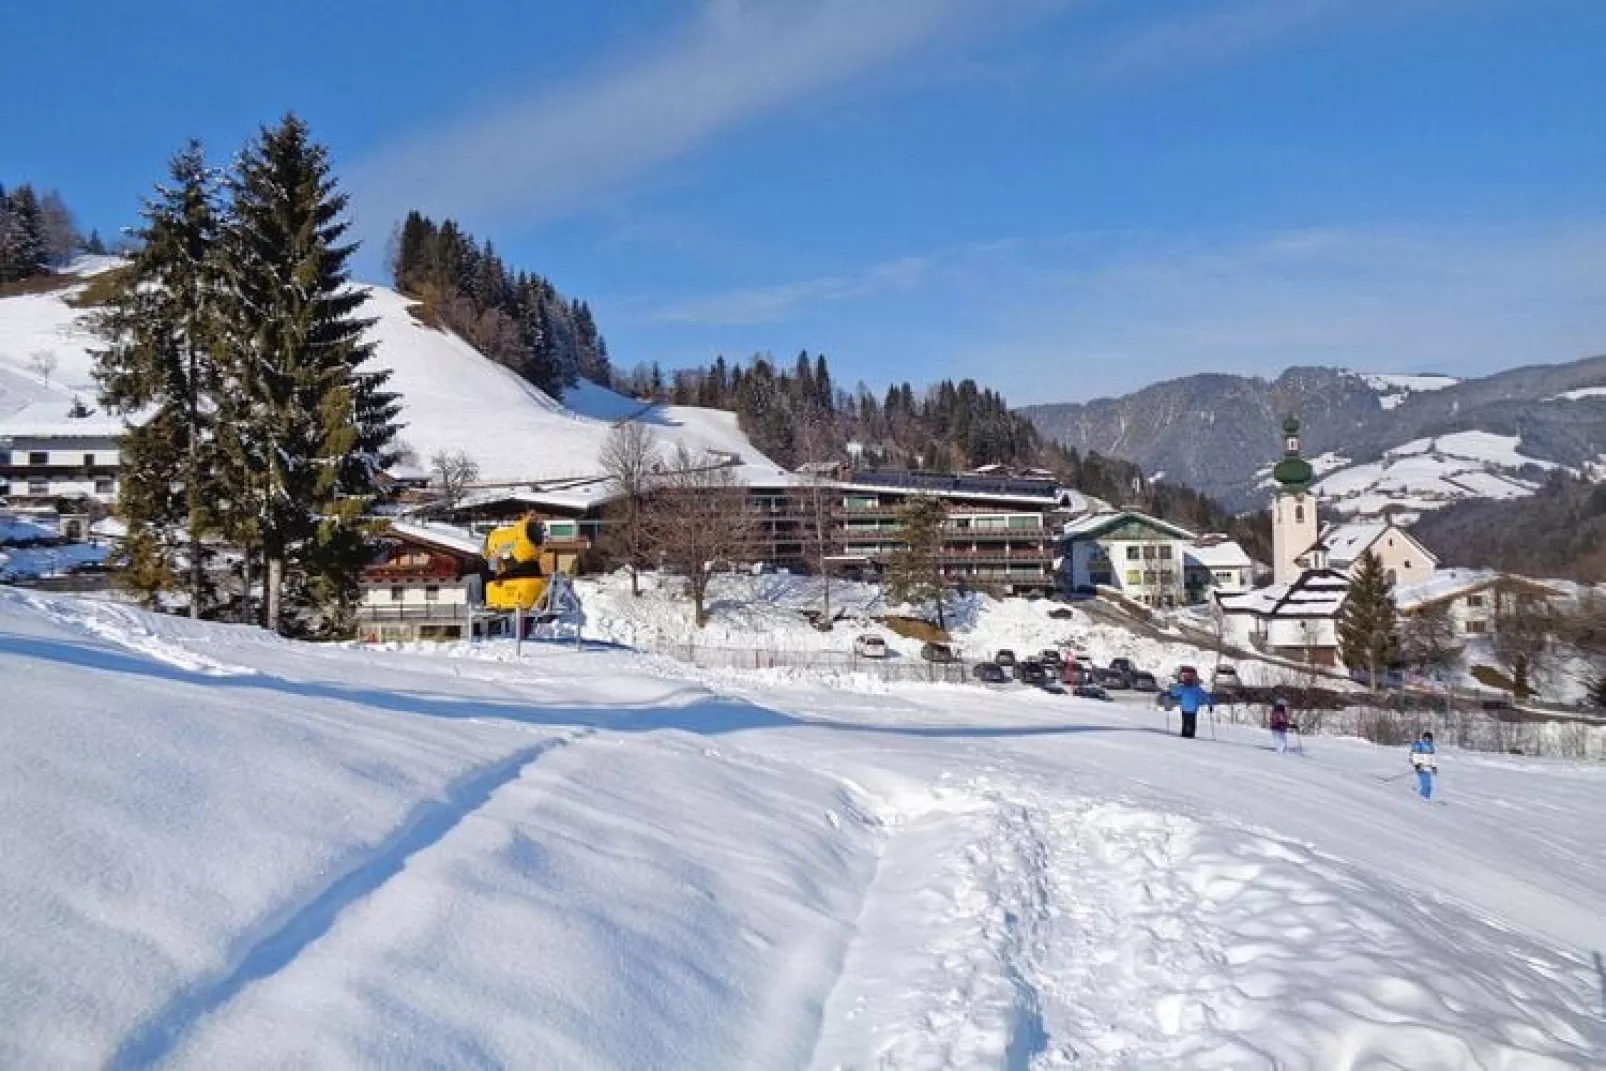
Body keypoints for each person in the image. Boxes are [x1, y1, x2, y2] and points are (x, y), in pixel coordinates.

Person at [1166, 667, 1214, 739]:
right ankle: (1191, 735)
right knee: (1192, 723)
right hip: (1193, 709)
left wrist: (1170, 692)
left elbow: (1174, 694)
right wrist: (1210, 704)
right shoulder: (1197, 689)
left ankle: (1184, 734)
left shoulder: (1182, 688)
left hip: (1185, 709)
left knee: (1185, 722)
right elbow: (1206, 696)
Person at [1409, 730, 1438, 800]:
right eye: (1426, 738)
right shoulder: (1419, 744)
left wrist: (1434, 767)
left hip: (1427, 769)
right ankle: (1422, 800)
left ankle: (1427, 799)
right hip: (1421, 768)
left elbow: (1431, 758)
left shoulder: (1431, 747)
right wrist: (1417, 765)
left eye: (1429, 739)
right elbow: (1414, 756)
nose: (1428, 740)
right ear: (1423, 738)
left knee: (1429, 787)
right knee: (1425, 785)